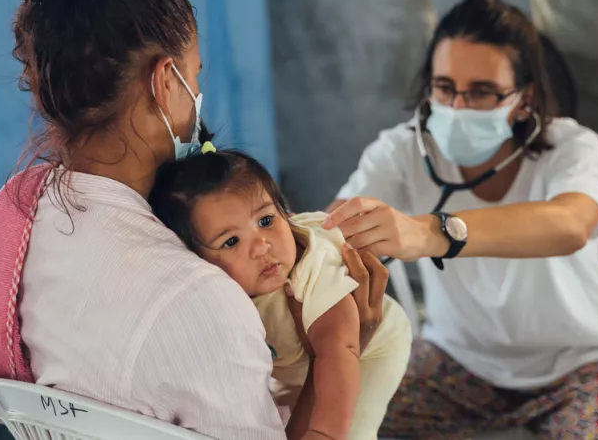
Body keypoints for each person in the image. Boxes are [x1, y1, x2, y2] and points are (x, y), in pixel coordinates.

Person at [0, 0, 391, 439]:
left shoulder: (16, 225)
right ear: (166, 82)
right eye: (195, 74)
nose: (197, 92)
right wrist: (339, 349)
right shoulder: (199, 298)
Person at [325, 0, 598, 439]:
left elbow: (571, 225)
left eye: (481, 92)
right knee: (343, 413)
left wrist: (432, 232)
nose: (457, 106)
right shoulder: (401, 152)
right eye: (443, 87)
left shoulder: (571, 147)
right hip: (457, 362)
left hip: (583, 364)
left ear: (523, 98)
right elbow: (331, 234)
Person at [149, 148, 412, 440]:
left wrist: (324, 433)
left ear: (285, 213)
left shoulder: (313, 264)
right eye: (232, 241)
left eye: (265, 221)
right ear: (197, 258)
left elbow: (341, 349)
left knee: (352, 431)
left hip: (367, 348)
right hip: (297, 362)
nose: (262, 245)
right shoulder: (213, 290)